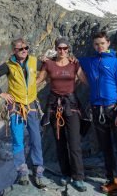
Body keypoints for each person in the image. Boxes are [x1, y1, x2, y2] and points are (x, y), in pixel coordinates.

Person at [78, 31, 117, 196]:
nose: (99, 46)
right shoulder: (89, 62)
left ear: (108, 43)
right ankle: (113, 181)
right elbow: (71, 61)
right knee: (105, 149)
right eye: (96, 44)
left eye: (102, 43)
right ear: (93, 45)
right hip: (97, 111)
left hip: (114, 111)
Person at [0, 37, 46, 188]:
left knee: (36, 138)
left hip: (31, 104)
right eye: (21, 49)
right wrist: (2, 94)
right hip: (16, 106)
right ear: (14, 51)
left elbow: (48, 66)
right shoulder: (9, 65)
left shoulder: (33, 61)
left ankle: (38, 171)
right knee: (18, 140)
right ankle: (22, 172)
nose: (25, 50)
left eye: (26, 47)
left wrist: (41, 76)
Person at [36, 38, 88, 192]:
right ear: (56, 49)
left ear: (68, 49)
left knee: (74, 143)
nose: (63, 51)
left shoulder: (74, 63)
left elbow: (85, 80)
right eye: (60, 48)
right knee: (60, 143)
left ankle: (78, 177)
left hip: (71, 106)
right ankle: (65, 174)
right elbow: (38, 80)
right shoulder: (49, 64)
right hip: (54, 107)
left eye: (65, 48)